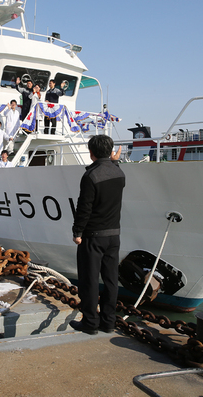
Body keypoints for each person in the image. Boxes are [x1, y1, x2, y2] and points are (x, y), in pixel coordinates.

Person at [70, 135, 126, 335]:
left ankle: (90, 322)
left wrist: (77, 232)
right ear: (110, 151)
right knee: (111, 280)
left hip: (93, 236)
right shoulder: (119, 173)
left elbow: (84, 208)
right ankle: (109, 322)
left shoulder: (90, 176)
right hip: (114, 236)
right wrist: (114, 162)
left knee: (90, 280)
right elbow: (111, 171)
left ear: (91, 152)